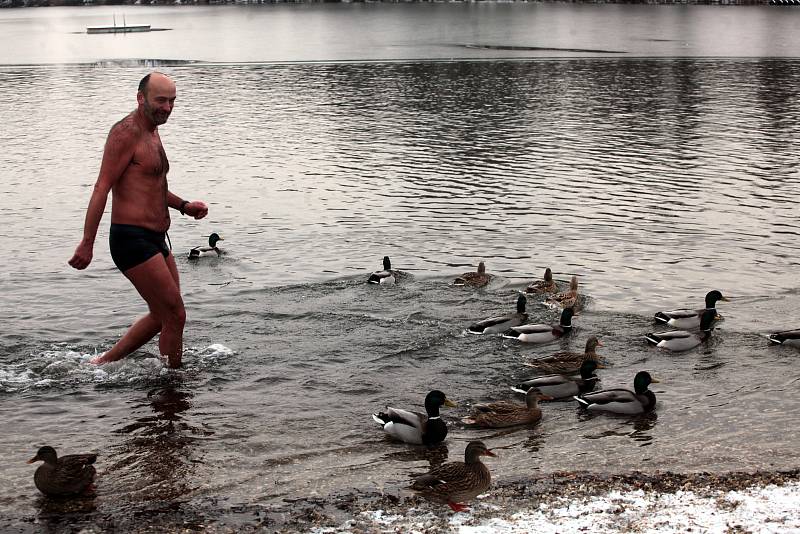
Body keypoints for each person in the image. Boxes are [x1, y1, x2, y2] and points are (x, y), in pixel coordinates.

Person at [68, 72, 208, 368]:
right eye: (161, 100)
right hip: (131, 239)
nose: (168, 108)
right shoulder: (126, 132)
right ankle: (173, 381)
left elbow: (152, 186)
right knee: (175, 314)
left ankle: (102, 363)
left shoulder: (153, 132)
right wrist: (87, 243)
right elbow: (101, 187)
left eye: (172, 101)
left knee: (163, 315)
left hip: (157, 239)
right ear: (140, 98)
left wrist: (184, 206)